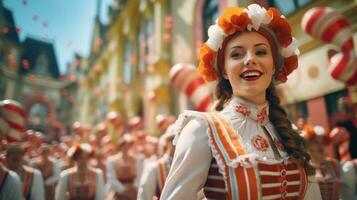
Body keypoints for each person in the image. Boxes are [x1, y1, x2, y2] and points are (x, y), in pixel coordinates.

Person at [161, 4, 322, 199]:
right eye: (237, 54)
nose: (249, 60)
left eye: (261, 52)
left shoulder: (292, 135)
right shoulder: (203, 130)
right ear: (224, 71)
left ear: (274, 66)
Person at [302, 125, 354, 199]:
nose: (320, 146)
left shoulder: (334, 164)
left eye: (323, 142)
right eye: (316, 142)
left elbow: (346, 191)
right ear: (309, 145)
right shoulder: (305, 166)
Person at [137, 130, 175, 200]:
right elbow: (145, 196)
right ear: (167, 142)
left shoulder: (187, 164)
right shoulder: (155, 167)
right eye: (173, 140)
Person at [106, 134, 138, 200]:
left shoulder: (136, 159)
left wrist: (133, 188)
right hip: (119, 193)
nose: (126, 147)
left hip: (133, 192)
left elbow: (139, 176)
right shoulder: (112, 160)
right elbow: (112, 180)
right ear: (120, 146)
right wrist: (123, 190)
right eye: (123, 145)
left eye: (128, 145)